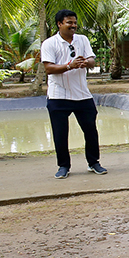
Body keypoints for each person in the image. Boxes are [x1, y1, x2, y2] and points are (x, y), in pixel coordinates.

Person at [41, 9, 106, 178]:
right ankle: (63, 166)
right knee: (60, 133)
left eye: (75, 23)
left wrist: (86, 62)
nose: (73, 26)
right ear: (59, 24)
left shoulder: (82, 40)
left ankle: (94, 163)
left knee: (91, 130)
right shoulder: (49, 43)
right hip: (58, 96)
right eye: (69, 22)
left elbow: (92, 60)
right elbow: (49, 68)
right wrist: (69, 65)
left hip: (82, 95)